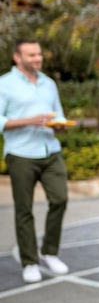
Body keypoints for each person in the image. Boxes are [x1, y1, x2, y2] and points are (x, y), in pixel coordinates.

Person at [0, 39, 71, 284]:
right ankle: (29, 261)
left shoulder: (49, 84)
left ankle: (50, 251)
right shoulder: (4, 85)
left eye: (39, 54)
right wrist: (29, 120)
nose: (37, 59)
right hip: (21, 153)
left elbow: (57, 113)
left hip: (50, 150)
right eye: (31, 55)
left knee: (60, 199)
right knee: (24, 210)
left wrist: (60, 124)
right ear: (17, 58)